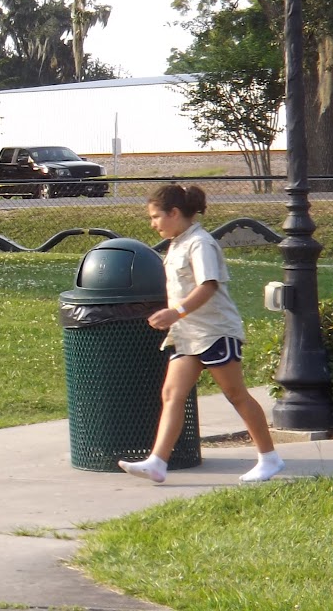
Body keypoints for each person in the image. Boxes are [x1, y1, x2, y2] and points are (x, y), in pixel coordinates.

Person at [118, 183, 285, 485]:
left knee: (236, 394)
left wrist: (175, 312)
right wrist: (177, 318)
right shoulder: (178, 242)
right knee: (172, 393)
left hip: (215, 332)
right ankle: (157, 462)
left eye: (156, 216)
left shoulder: (200, 243)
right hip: (188, 335)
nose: (152, 223)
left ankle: (269, 458)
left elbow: (207, 285)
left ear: (175, 212)